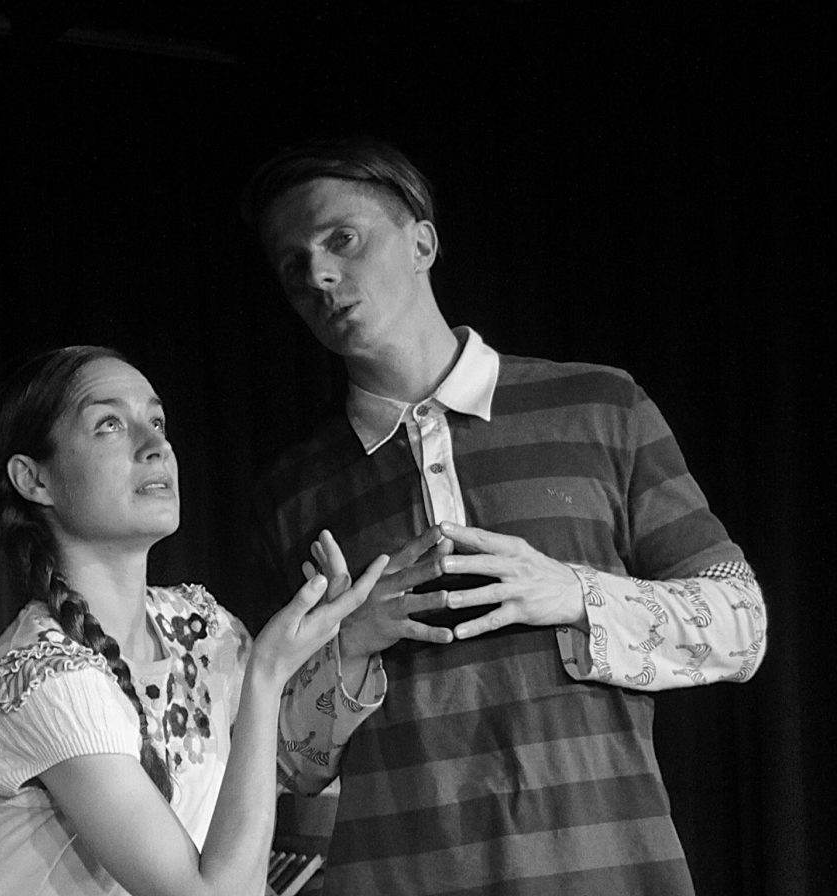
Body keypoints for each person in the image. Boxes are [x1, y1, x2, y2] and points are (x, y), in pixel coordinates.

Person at [239, 137, 769, 895]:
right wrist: (350, 645)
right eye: (294, 266)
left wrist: (574, 592)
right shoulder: (293, 491)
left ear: (421, 243)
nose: (318, 274)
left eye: (342, 240)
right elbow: (283, 761)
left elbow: (742, 625)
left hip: (608, 872)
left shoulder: (599, 406)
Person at [0, 345, 385, 895]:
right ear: (35, 480)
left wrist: (353, 641)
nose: (156, 445)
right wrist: (268, 674)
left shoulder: (198, 627)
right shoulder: (49, 680)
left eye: (156, 422)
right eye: (109, 425)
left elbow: (285, 765)